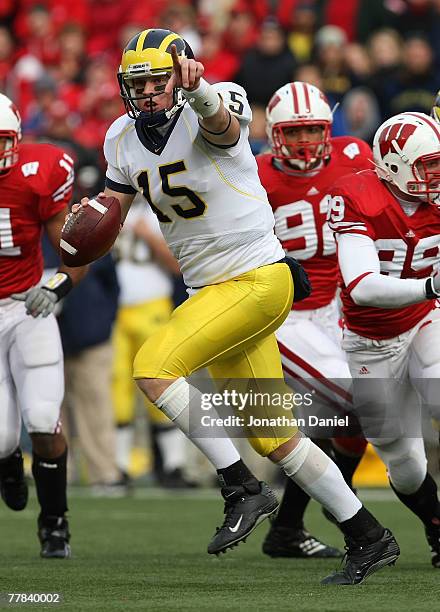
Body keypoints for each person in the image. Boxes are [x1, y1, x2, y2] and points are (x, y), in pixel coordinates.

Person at [70, 28, 399, 585]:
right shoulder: (120, 137)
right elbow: (117, 207)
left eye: (158, 79)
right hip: (211, 290)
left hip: (255, 277)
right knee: (276, 437)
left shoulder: (217, 99)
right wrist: (88, 223)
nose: (148, 92)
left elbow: (223, 129)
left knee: (153, 366)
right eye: (138, 83)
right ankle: (369, 535)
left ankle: (240, 486)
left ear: (182, 73)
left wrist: (199, 93)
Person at [257, 81, 374, 559]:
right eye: (295, 131)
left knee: (347, 425)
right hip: (288, 316)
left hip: (345, 308)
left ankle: (290, 528)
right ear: (274, 133)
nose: (305, 141)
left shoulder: (355, 155)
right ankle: (342, 512)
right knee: (355, 406)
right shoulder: (254, 172)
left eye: (313, 129)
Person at [327, 110, 440, 568]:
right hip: (368, 340)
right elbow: (363, 285)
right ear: (392, 165)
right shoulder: (357, 195)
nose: (435, 174)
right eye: (427, 165)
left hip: (426, 319)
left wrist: (429, 297)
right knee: (404, 461)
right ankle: (436, 526)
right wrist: (430, 286)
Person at [0, 93, 87, 557]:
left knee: (41, 419)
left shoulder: (41, 173)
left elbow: (75, 252)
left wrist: (54, 289)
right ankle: (7, 461)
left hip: (25, 305)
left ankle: (54, 523)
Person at [112, 198, 194, 488]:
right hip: (117, 311)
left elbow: (178, 266)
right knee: (118, 390)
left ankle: (174, 466)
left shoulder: (162, 212)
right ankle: (119, 468)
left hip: (154, 307)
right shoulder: (113, 209)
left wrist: (148, 235)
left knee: (162, 383)